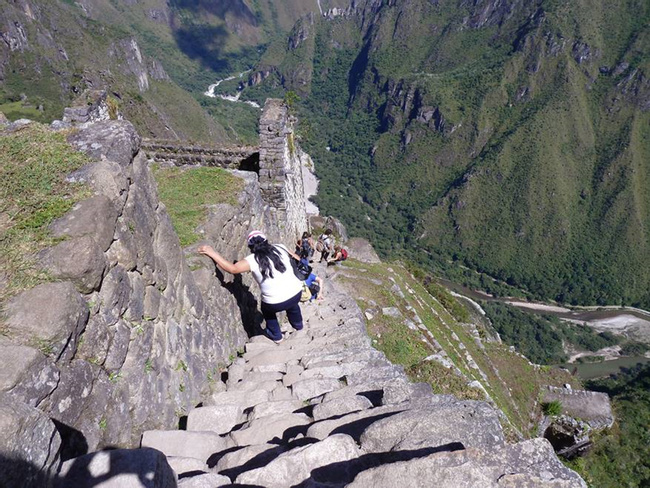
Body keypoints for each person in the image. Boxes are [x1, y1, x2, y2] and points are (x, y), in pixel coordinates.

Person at [198, 231, 303, 343]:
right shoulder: (280, 247)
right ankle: (299, 326)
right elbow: (296, 258)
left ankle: (277, 336)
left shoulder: (252, 260)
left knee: (266, 310)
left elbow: (232, 269)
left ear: (250, 246)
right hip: (297, 293)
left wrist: (212, 252)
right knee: (292, 303)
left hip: (274, 303)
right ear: (265, 240)